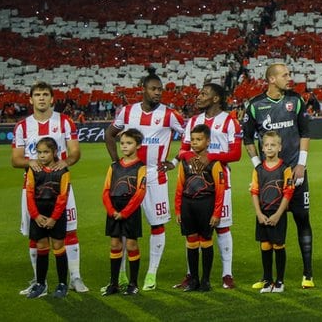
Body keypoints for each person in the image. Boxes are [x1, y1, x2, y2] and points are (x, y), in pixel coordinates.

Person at [104, 71, 185, 291]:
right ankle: (120, 275)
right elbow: (109, 134)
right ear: (143, 89)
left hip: (154, 175)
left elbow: (191, 138)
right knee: (120, 226)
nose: (158, 93)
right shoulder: (128, 112)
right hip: (129, 176)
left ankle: (151, 274)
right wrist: (116, 164)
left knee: (157, 224)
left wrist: (175, 161)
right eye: (154, 89)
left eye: (160, 89)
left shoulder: (169, 115)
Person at [241, 63, 314, 288]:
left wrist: (301, 165)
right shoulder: (255, 105)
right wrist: (257, 167)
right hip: (269, 176)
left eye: (289, 74)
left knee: (302, 220)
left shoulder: (296, 100)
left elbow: (305, 132)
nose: (289, 78)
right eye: (285, 75)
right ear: (271, 79)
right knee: (267, 225)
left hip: (295, 171)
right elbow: (247, 139)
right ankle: (266, 276)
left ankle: (308, 274)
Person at [12, 81, 87, 295]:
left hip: (60, 188)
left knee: (69, 231)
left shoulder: (65, 122)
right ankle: (39, 281)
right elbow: (16, 159)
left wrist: (67, 162)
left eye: (46, 94)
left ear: (52, 98)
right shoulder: (22, 126)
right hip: (33, 189)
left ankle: (75, 278)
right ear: (31, 99)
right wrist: (30, 162)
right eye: (37, 94)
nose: (42, 98)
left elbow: (74, 152)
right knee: (35, 235)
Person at [175, 83, 242, 289]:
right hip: (193, 184)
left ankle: (226, 274)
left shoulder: (230, 122)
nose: (199, 96)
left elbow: (236, 154)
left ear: (216, 99)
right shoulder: (194, 121)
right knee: (192, 232)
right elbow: (183, 150)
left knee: (222, 227)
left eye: (204, 93)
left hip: (220, 182)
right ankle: (191, 274)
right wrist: (182, 159)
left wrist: (211, 157)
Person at [174, 124, 226, 293]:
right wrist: (177, 209)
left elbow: (220, 190)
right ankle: (194, 279)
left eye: (199, 139)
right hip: (188, 206)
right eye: (193, 139)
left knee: (205, 240)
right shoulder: (185, 161)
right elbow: (179, 186)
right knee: (191, 241)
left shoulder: (215, 163)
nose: (195, 143)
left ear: (208, 141)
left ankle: (206, 280)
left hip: (206, 204)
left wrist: (217, 213)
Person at [23, 137, 73, 299]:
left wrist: (53, 218)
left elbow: (63, 197)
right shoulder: (33, 170)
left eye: (46, 152)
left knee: (58, 245)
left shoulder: (63, 171)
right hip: (38, 212)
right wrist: (36, 215)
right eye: (39, 152)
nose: (42, 156)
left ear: (54, 152)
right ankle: (40, 284)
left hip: (55, 213)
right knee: (41, 245)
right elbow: (29, 194)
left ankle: (62, 284)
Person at [101, 128, 148, 296]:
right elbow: (106, 190)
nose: (124, 146)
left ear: (138, 145)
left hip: (130, 209)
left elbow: (140, 193)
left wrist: (125, 212)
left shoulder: (141, 167)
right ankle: (113, 283)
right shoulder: (114, 166)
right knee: (115, 244)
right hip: (114, 208)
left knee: (131, 244)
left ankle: (133, 283)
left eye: (129, 143)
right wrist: (112, 210)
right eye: (122, 143)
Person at [250, 131, 293, 293]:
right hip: (262, 213)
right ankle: (267, 280)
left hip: (277, 213)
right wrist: (259, 214)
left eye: (273, 145)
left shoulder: (285, 168)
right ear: (262, 148)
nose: (269, 148)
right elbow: (254, 192)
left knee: (278, 244)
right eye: (266, 145)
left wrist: (278, 214)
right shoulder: (258, 169)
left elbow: (288, 193)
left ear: (279, 147)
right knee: (265, 244)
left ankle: (280, 281)